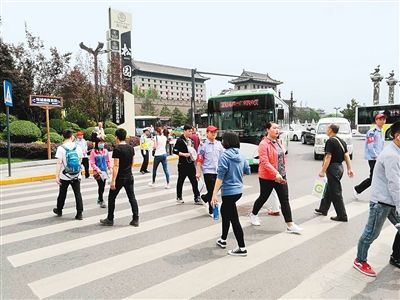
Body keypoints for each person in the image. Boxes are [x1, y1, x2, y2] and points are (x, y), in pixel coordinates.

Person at [353, 120, 400, 276]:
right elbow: (395, 184)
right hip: (382, 202)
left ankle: (396, 257)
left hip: (391, 200)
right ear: (398, 136)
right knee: (371, 233)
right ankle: (360, 260)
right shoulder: (392, 155)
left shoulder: (396, 151)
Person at [249, 122, 303, 234]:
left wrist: (281, 172)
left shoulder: (279, 142)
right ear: (268, 130)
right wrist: (275, 173)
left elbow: (281, 158)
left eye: (278, 128)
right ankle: (253, 214)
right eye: (274, 128)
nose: (277, 130)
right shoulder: (263, 144)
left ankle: (290, 225)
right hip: (267, 177)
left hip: (281, 175)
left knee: (284, 199)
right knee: (263, 197)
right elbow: (264, 162)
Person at [211, 131, 251, 256]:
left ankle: (242, 248)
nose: (222, 141)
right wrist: (236, 177)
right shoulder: (241, 154)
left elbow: (220, 177)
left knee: (234, 219)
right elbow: (247, 171)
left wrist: (214, 194)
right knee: (225, 212)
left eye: (223, 139)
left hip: (228, 192)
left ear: (227, 141)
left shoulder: (224, 156)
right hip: (238, 191)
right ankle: (223, 239)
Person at [314, 124, 354, 222]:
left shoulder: (330, 141)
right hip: (340, 168)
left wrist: (322, 171)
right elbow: (346, 155)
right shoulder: (341, 141)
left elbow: (328, 157)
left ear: (331, 130)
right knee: (329, 189)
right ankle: (323, 209)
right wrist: (349, 168)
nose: (326, 130)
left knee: (336, 192)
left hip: (333, 168)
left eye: (327, 128)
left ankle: (342, 215)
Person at [100, 128, 139, 227]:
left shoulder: (117, 149)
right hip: (129, 176)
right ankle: (135, 219)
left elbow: (116, 166)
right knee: (132, 197)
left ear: (117, 137)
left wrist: (113, 180)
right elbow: (132, 163)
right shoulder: (131, 148)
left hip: (120, 178)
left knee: (111, 197)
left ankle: (110, 219)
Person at [53, 129, 84, 220]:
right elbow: (80, 159)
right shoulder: (77, 146)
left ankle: (59, 209)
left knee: (62, 193)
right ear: (71, 136)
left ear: (63, 137)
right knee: (77, 193)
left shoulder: (61, 148)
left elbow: (59, 163)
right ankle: (79, 213)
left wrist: (57, 176)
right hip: (76, 175)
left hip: (65, 176)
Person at [353, 113, 386, 199]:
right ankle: (357, 189)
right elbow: (370, 147)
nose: (382, 121)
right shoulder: (372, 132)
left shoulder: (382, 131)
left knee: (380, 177)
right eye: (380, 119)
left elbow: (381, 146)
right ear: (376, 121)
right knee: (373, 178)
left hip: (380, 158)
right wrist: (376, 156)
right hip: (373, 159)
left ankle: (379, 195)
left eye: (384, 119)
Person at [196, 125, 225, 216]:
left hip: (218, 171)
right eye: (211, 132)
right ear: (207, 133)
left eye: (215, 132)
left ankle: (205, 197)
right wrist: (198, 172)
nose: (213, 134)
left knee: (215, 190)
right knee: (212, 190)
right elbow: (199, 160)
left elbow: (222, 157)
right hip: (208, 171)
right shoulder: (203, 146)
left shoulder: (219, 144)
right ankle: (211, 210)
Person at [173, 124, 201, 205]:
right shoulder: (180, 140)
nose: (190, 133)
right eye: (189, 131)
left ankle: (197, 197)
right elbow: (174, 151)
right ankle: (179, 196)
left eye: (191, 131)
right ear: (184, 131)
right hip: (183, 164)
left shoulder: (190, 140)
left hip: (191, 163)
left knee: (194, 181)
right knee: (181, 180)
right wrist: (184, 154)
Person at [89, 137, 112, 208]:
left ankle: (100, 198)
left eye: (103, 142)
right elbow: (92, 163)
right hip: (98, 172)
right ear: (97, 143)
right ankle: (101, 200)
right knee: (101, 185)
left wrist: (109, 168)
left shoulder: (105, 151)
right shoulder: (93, 152)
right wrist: (97, 169)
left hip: (104, 172)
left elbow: (107, 161)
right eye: (100, 142)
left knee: (103, 186)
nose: (102, 144)